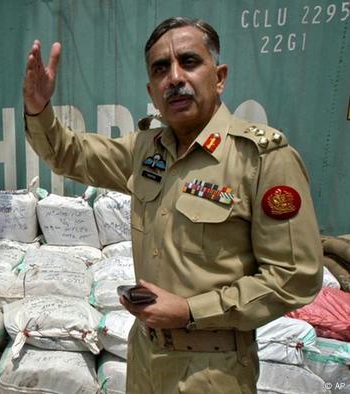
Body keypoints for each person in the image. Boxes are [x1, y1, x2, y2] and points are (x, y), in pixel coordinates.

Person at [22, 16, 322, 393]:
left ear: (220, 76)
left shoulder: (260, 158)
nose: (175, 77)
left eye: (190, 62)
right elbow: (70, 154)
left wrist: (191, 311)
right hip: (146, 359)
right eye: (161, 69)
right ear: (151, 89)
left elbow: (294, 277)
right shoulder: (146, 150)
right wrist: (38, 109)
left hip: (212, 370)